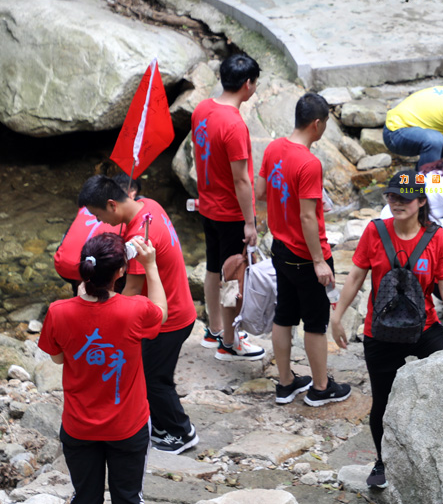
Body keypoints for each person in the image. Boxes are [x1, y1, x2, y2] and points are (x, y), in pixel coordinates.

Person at [331, 170, 443, 490]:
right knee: (382, 400)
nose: (397, 203)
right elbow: (355, 277)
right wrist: (336, 318)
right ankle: (382, 461)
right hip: (381, 331)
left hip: (426, 328)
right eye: (392, 196)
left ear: (421, 201)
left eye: (405, 198)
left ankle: (441, 449)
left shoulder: (436, 238)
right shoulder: (375, 232)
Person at [38, 232, 166, 504]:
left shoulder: (58, 311)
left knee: (85, 498)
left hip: (79, 426)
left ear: (84, 268)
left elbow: (59, 359)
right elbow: (161, 313)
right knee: (128, 498)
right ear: (120, 272)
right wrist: (151, 266)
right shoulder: (135, 310)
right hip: (128, 426)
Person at [78, 175, 199, 454]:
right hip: (178, 304)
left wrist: (101, 316)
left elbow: (131, 289)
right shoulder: (147, 205)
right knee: (151, 374)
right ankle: (161, 425)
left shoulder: (139, 237)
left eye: (99, 215)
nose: (100, 222)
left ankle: (181, 432)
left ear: (112, 204)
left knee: (154, 380)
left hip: (169, 318)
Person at [260, 93, 352, 407]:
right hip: (304, 254)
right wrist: (319, 262)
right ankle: (321, 387)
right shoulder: (309, 163)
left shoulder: (273, 149)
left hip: (280, 247)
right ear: (317, 124)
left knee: (284, 315)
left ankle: (285, 383)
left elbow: (262, 191)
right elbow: (307, 216)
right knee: (315, 322)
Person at [191, 53, 266, 361]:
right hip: (229, 211)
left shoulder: (202, 109)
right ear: (247, 84)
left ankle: (214, 330)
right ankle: (231, 342)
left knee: (213, 267)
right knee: (233, 274)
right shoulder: (234, 125)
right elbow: (242, 181)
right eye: (256, 82)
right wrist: (250, 223)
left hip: (207, 205)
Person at [54, 175, 141, 296]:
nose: (99, 220)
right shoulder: (127, 218)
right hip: (96, 271)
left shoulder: (88, 206)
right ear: (132, 193)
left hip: (63, 265)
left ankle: (79, 296)